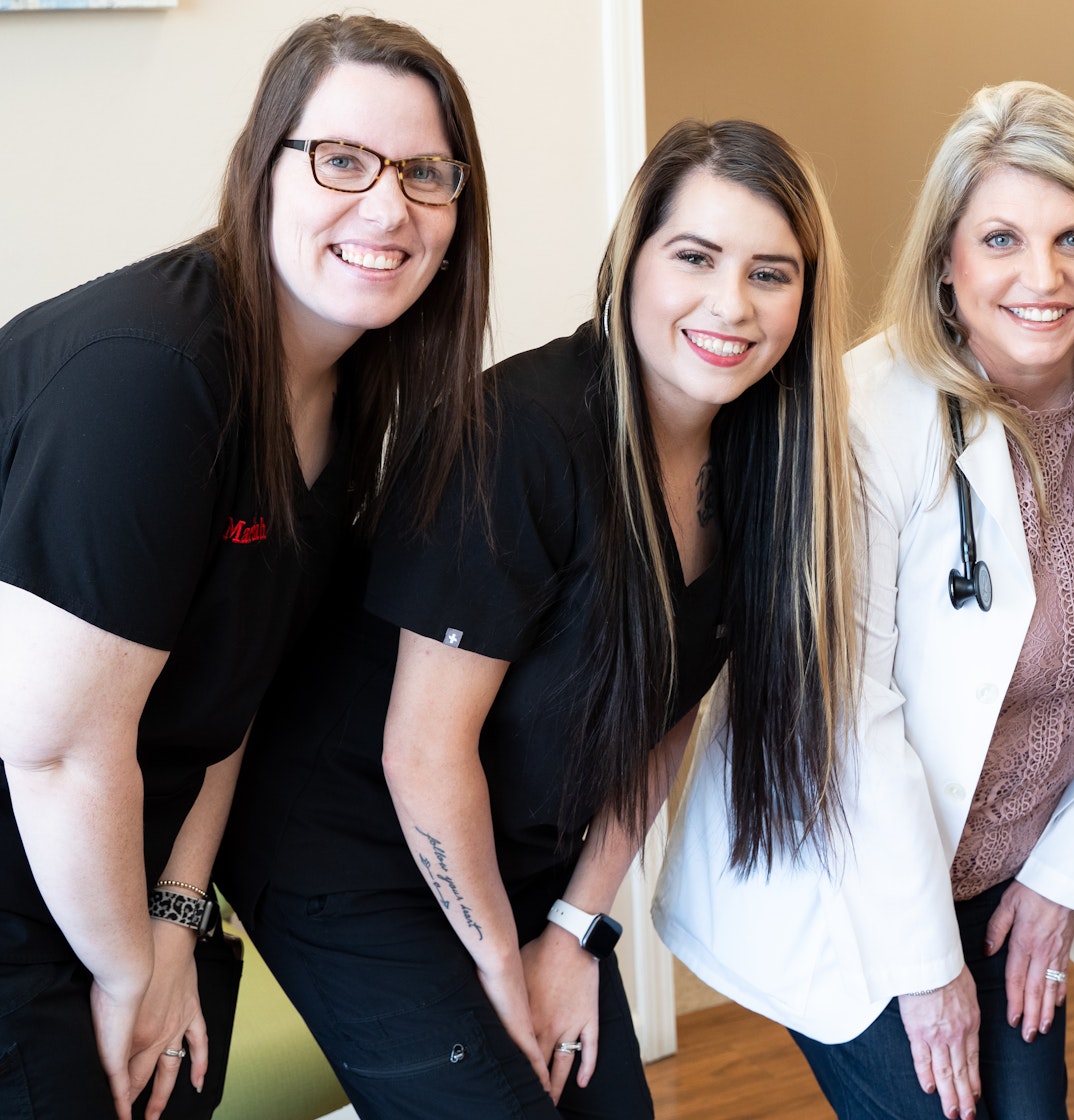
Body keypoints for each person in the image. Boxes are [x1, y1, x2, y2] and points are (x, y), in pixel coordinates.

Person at [217, 118, 860, 1120]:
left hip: (521, 858)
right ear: (631, 261)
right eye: (695, 256)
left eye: (771, 273)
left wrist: (572, 930)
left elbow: (665, 715)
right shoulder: (519, 431)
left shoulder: (762, 471)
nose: (731, 304)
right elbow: (423, 752)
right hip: (351, 850)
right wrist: (502, 973)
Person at [656, 80, 1074, 1120]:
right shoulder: (866, 416)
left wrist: (1066, 875)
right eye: (1000, 237)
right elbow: (849, 716)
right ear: (946, 261)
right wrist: (925, 967)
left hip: (1015, 871)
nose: (1041, 277)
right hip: (848, 874)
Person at [0, 14, 491, 1120]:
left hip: (123, 885)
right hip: (31, 887)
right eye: (343, 160)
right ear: (262, 164)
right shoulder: (152, 378)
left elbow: (235, 702)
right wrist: (133, 966)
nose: (388, 206)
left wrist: (174, 920)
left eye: (427, 173)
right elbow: (52, 749)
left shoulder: (355, 398)